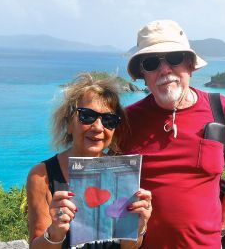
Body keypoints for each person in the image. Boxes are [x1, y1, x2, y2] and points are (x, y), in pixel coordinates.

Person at [118, 20, 225, 248]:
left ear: (190, 64)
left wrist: (218, 228)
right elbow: (109, 184)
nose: (164, 69)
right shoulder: (128, 120)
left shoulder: (219, 109)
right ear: (143, 74)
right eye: (151, 63)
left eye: (174, 58)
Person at [27, 73, 152, 249]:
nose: (98, 127)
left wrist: (139, 228)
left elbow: (128, 246)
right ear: (69, 124)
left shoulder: (123, 174)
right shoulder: (42, 176)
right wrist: (55, 232)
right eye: (87, 116)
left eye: (109, 120)